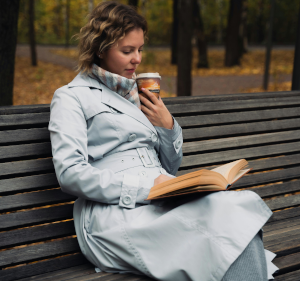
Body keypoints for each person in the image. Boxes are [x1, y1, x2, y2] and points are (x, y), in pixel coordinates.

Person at [49, 2, 277, 280]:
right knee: (223, 229)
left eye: (140, 49)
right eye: (127, 51)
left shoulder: (139, 94)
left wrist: (167, 126)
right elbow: (70, 174)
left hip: (162, 196)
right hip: (113, 212)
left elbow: (169, 165)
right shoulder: (72, 96)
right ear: (100, 48)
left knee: (234, 207)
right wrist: (145, 188)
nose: (137, 59)